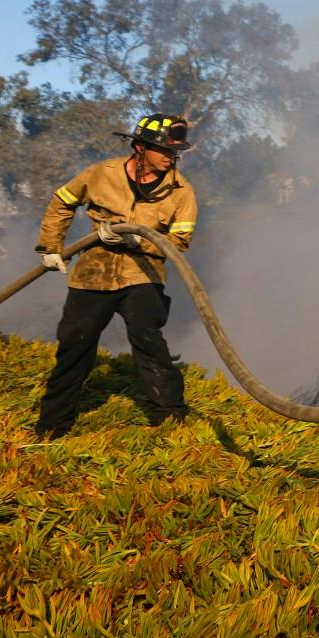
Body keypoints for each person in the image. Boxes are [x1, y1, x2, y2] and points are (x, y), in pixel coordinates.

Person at [31, 113, 200, 438]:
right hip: (94, 271)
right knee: (74, 346)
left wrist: (139, 239)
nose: (170, 158)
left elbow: (179, 243)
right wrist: (51, 246)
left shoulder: (182, 192)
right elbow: (61, 202)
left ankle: (172, 422)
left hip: (143, 272)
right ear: (140, 147)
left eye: (174, 153)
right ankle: (51, 427)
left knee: (147, 339)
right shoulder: (101, 174)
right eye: (163, 150)